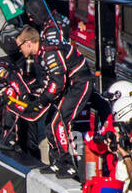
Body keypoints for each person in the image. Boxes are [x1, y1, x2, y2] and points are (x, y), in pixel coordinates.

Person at [17, 25, 91, 177]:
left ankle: (70, 164)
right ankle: (57, 161)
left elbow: (57, 81)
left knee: (60, 122)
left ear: (28, 43)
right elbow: (47, 82)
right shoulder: (39, 54)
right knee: (49, 123)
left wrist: (42, 101)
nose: (20, 50)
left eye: (20, 46)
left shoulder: (49, 52)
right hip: (68, 87)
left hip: (79, 84)